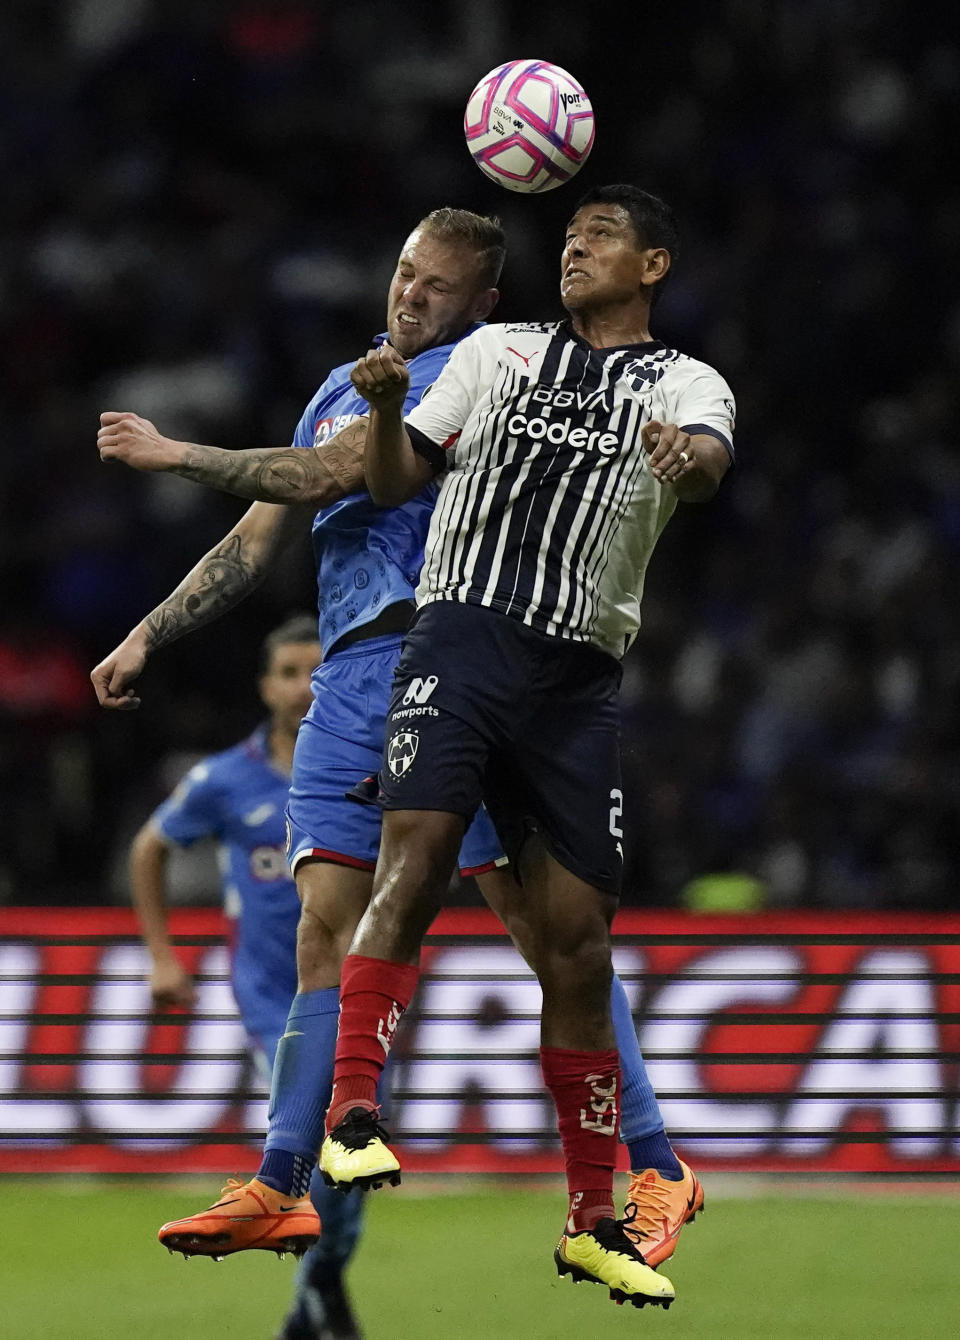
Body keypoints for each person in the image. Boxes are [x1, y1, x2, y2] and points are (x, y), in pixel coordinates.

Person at [93, 205, 701, 1324]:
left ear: (482, 305)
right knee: (324, 923)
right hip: (345, 684)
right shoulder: (345, 380)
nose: (409, 295)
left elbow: (334, 477)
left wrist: (175, 451)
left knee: (542, 930)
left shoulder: (490, 370)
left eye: (436, 284)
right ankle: (282, 1179)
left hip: (452, 659)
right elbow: (261, 535)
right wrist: (148, 631)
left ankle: (655, 1159)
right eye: (404, 273)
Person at [314, 184, 734, 1313]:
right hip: (464, 635)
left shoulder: (686, 381)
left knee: (579, 945)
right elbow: (400, 476)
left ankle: (593, 1218)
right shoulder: (496, 351)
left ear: (654, 263)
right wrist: (396, 408)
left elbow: (706, 459)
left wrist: (683, 459)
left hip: (578, 680)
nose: (577, 247)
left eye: (602, 236)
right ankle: (354, 1113)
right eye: (572, 233)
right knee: (415, 858)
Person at [129, 615, 360, 1338]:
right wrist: (162, 955)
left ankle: (322, 1289)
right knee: (327, 1141)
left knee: (357, 1158)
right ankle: (311, 1306)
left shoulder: (369, 767)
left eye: (316, 672)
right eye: (289, 673)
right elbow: (149, 848)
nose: (303, 688)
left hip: (362, 996)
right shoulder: (226, 779)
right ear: (266, 686)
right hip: (275, 1003)